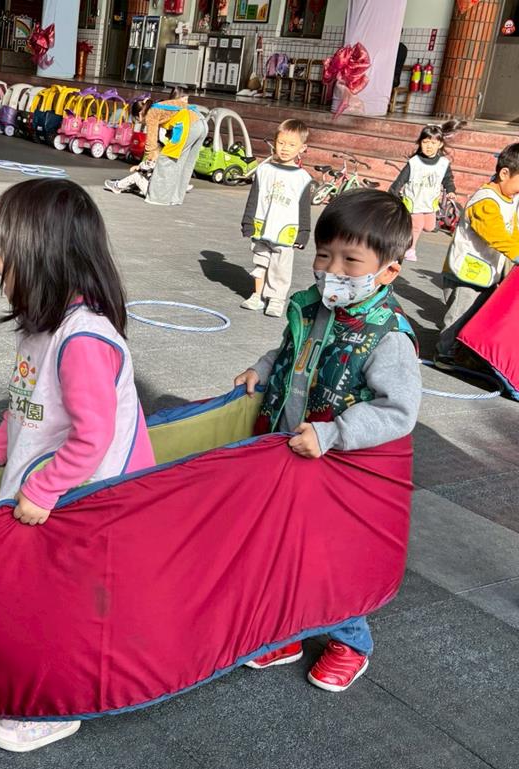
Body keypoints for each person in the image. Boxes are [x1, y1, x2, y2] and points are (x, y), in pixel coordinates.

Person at [0, 178, 156, 753]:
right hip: (58, 495)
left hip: (86, 502)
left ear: (42, 256)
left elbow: (93, 435)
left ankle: (55, 705)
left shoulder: (83, 338)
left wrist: (43, 489)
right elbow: (29, 405)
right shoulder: (42, 327)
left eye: (5, 248)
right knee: (39, 593)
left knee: (61, 604)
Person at [232, 189, 421, 693]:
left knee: (328, 561)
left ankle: (350, 642)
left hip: (337, 465)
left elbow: (398, 411)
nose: (332, 270)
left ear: (388, 271)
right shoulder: (312, 307)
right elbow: (290, 351)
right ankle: (288, 634)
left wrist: (335, 433)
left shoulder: (388, 335)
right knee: (281, 546)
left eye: (350, 261)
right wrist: (261, 370)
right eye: (323, 255)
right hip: (290, 450)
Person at [436, 142, 519, 367]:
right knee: (460, 315)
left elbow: (513, 232)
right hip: (466, 272)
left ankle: (463, 352)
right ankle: (445, 353)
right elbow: (496, 235)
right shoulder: (485, 201)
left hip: (485, 271)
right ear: (504, 173)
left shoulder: (509, 199)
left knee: (476, 314)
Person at [239, 119, 313, 318]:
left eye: (292, 144)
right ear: (274, 142)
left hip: (285, 231)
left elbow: (304, 209)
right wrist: (248, 222)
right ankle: (257, 295)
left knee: (281, 268)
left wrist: (303, 233)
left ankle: (276, 299)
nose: (285, 148)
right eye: (281, 143)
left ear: (302, 148)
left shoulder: (302, 178)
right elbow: (253, 198)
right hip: (262, 227)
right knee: (260, 262)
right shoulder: (264, 171)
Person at [388, 120, 463, 262]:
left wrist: (451, 190)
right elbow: (400, 180)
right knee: (417, 225)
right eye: (425, 142)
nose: (429, 146)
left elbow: (448, 179)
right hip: (413, 200)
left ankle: (402, 233)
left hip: (430, 201)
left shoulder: (443, 163)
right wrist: (392, 194)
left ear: (440, 144)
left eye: (433, 143)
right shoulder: (414, 162)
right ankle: (410, 250)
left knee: (429, 227)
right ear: (420, 143)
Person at [142, 87, 207, 206]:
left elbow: (151, 138)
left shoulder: (151, 112)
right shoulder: (164, 106)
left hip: (188, 125)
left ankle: (158, 198)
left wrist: (150, 156)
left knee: (166, 159)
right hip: (201, 122)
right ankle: (175, 198)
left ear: (140, 113)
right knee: (185, 162)